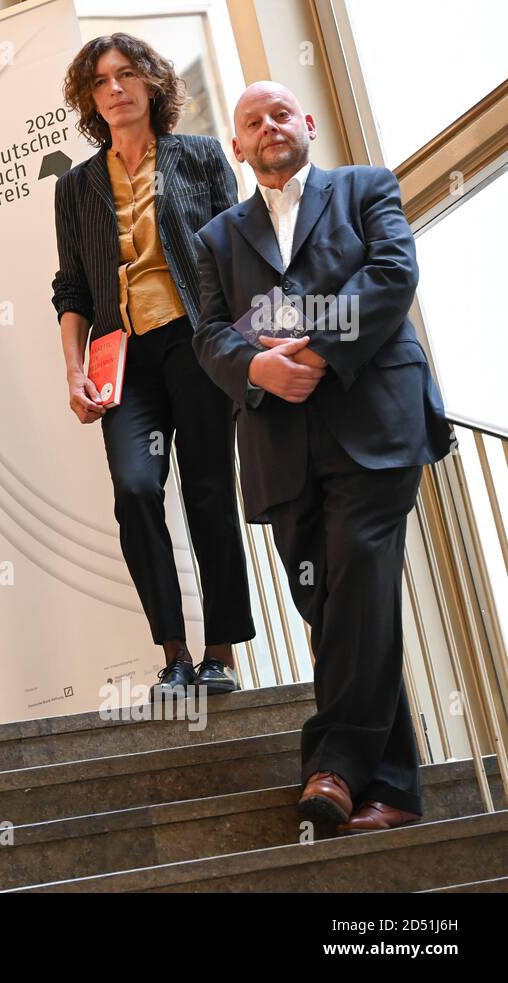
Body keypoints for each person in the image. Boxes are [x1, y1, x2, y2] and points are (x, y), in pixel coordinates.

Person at [191, 82, 452, 833]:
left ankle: (331, 765)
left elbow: (392, 275)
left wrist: (313, 348)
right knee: (334, 609)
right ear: (236, 147)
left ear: (306, 124)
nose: (269, 125)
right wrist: (255, 370)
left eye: (282, 113)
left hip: (375, 423)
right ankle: (394, 788)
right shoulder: (215, 238)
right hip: (280, 445)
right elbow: (210, 335)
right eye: (251, 121)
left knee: (362, 581)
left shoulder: (366, 188)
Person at [51, 34, 255, 695]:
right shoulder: (77, 186)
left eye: (128, 74)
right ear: (91, 100)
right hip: (125, 360)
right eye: (101, 81)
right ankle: (173, 651)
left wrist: (245, 346)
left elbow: (236, 254)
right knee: (136, 491)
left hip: (196, 347)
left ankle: (220, 650)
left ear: (153, 85)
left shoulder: (198, 157)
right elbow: (73, 287)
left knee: (208, 492)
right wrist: (73, 370)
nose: (115, 88)